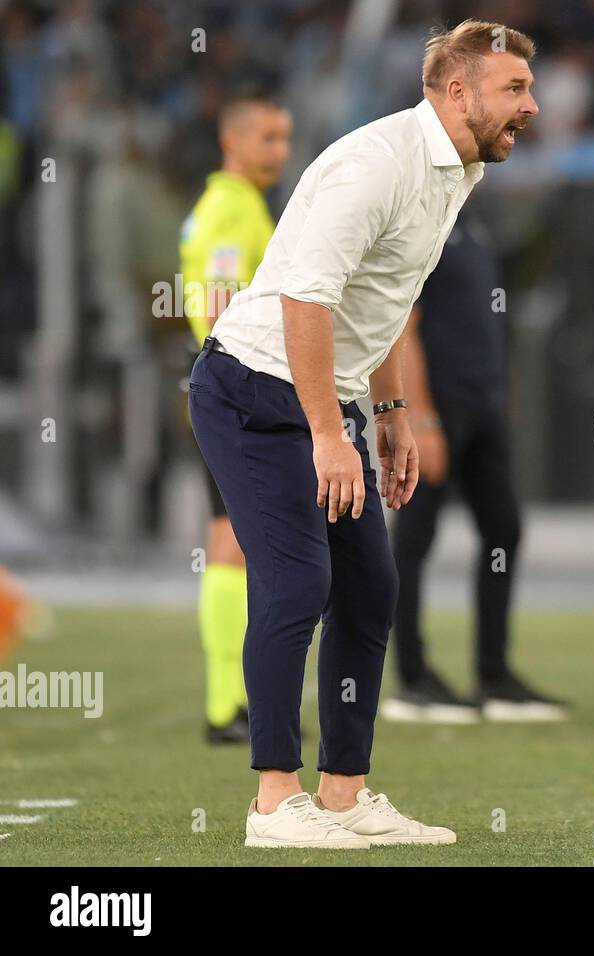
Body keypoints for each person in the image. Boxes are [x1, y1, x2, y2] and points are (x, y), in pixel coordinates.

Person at [188, 19, 538, 850]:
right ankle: (275, 803)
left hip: (328, 390)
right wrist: (327, 433)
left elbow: (380, 297)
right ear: (458, 93)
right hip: (252, 388)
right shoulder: (373, 165)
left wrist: (387, 413)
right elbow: (308, 301)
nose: (532, 104)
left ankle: (344, 795)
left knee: (370, 588)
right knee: (298, 582)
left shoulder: (459, 167)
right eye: (515, 89)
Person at [386, 214, 567, 724]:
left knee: (503, 529)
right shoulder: (423, 225)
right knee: (414, 538)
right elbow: (404, 324)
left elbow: (485, 319)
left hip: (482, 406)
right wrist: (418, 416)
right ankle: (413, 679)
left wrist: (498, 388)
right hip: (438, 408)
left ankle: (493, 676)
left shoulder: (477, 228)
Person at [179, 89, 292, 744]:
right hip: (236, 391)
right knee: (230, 545)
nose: (279, 151)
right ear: (233, 140)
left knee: (236, 542)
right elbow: (221, 305)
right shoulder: (231, 208)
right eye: (268, 138)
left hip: (226, 389)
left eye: (284, 138)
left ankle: (234, 701)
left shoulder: (236, 205)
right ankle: (226, 705)